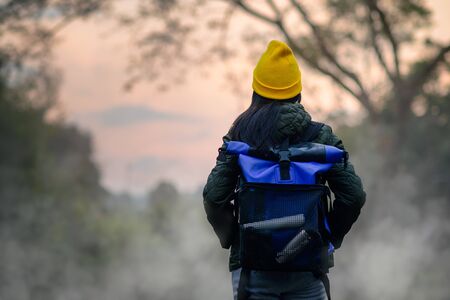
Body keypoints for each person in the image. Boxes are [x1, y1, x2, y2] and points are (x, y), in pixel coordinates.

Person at [203, 40, 366, 300]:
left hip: (252, 270)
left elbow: (214, 197)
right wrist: (327, 238)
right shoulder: (320, 135)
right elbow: (353, 196)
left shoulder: (239, 135)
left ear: (256, 90)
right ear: (297, 91)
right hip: (308, 268)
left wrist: (235, 238)